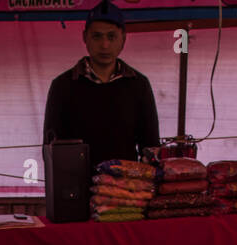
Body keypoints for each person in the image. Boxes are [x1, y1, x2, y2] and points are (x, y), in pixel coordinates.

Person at [43, 1, 160, 166]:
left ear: (123, 39)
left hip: (126, 188)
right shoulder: (63, 86)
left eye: (111, 37)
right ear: (85, 37)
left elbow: (150, 146)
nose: (105, 45)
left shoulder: (138, 85)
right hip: (76, 188)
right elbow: (50, 149)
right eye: (97, 36)